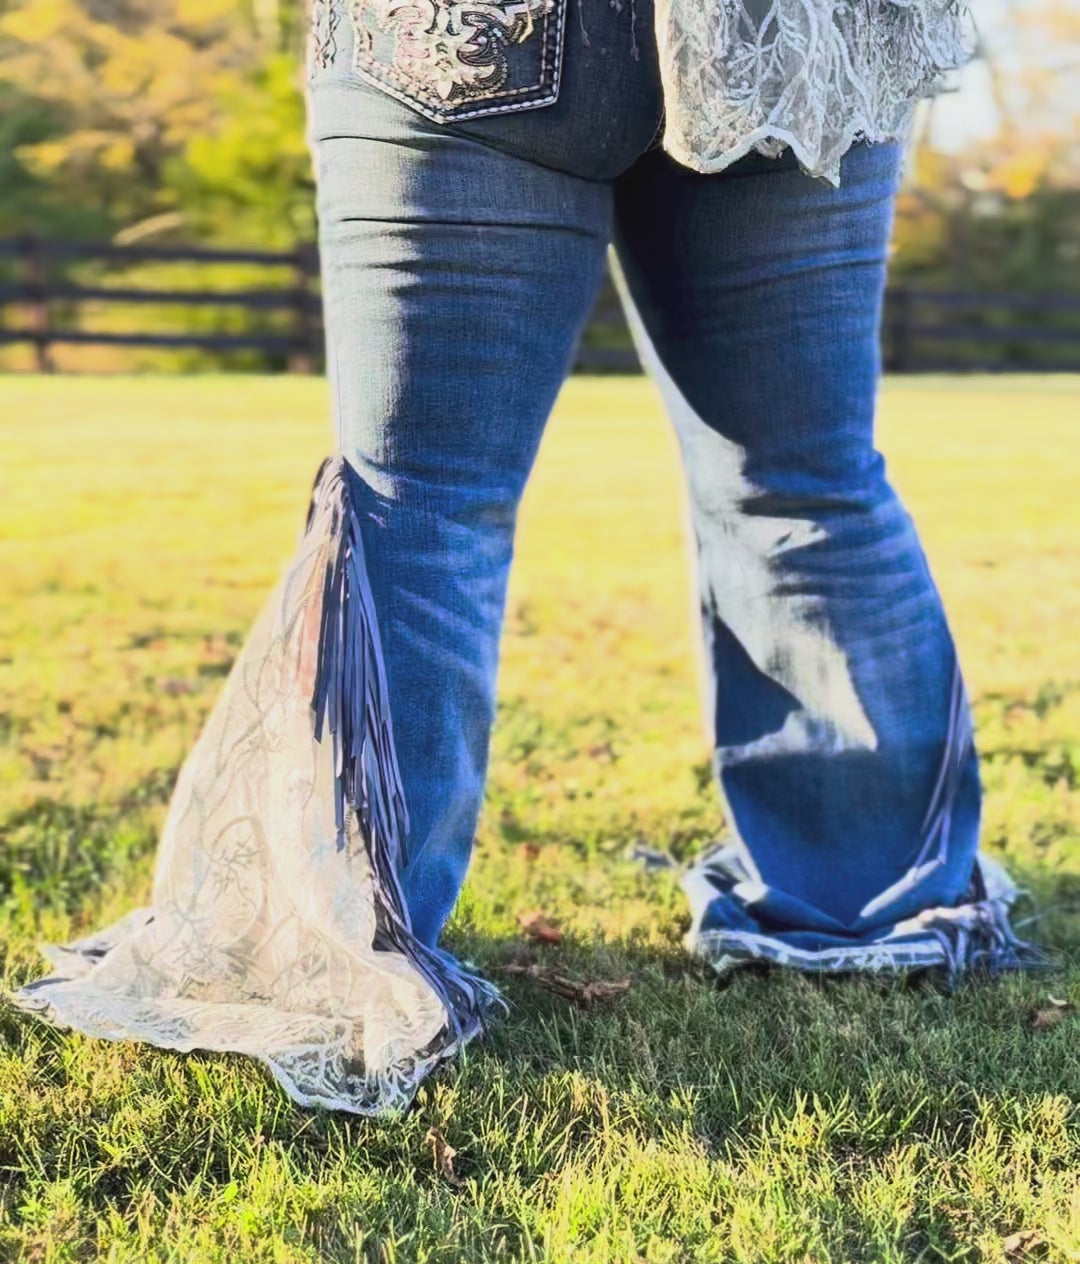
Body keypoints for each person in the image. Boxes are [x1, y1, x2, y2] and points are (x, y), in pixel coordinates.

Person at [15, 0, 1039, 1113]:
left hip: (465, 38)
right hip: (777, 35)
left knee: (424, 501)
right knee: (802, 480)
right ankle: (873, 897)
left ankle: (356, 917)